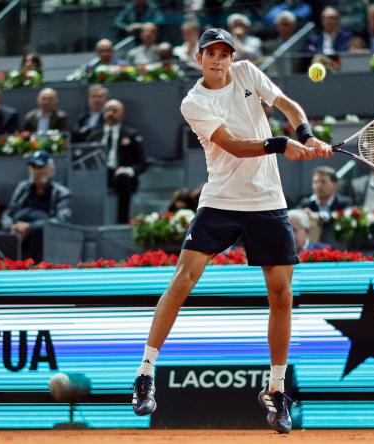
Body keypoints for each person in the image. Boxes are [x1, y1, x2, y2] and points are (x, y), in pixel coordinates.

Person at [130, 28, 332, 434]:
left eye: (224, 53)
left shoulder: (247, 73)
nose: (219, 60)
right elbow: (234, 145)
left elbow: (288, 105)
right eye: (212, 54)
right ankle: (145, 373)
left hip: (267, 202)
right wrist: (280, 144)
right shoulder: (195, 102)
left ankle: (276, 391)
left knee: (282, 294)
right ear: (199, 57)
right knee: (184, 279)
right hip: (221, 200)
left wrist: (306, 134)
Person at [1, 150, 72, 262]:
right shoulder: (23, 188)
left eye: (40, 167)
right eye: (33, 167)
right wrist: (11, 227)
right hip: (19, 240)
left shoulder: (62, 193)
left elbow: (62, 220)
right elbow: (7, 214)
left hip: (47, 244)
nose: (36, 171)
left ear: (51, 170)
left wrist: (31, 227)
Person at [87, 99, 147, 224]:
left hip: (120, 174)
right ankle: (90, 220)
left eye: (114, 111)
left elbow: (142, 162)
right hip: (99, 173)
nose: (110, 113)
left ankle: (122, 222)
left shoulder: (131, 134)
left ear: (122, 114)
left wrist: (128, 170)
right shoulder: (94, 135)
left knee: (123, 178)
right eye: (107, 110)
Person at [298, 166, 353, 241]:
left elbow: (345, 217)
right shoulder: (306, 203)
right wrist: (302, 214)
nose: (318, 186)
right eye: (315, 182)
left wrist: (319, 216)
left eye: (323, 182)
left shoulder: (345, 202)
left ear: (335, 185)